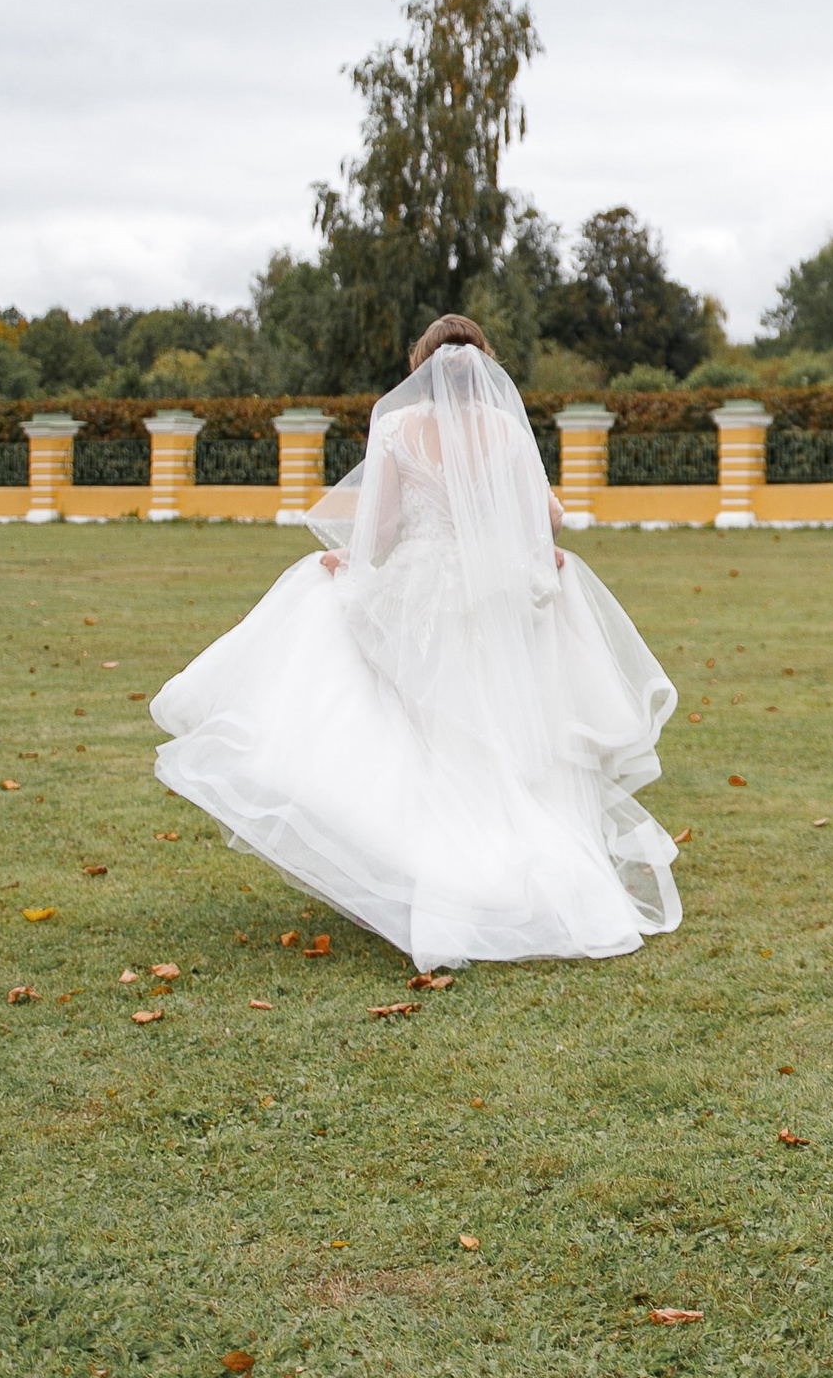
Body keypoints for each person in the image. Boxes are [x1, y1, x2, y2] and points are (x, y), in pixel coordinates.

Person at [150, 314, 681, 971]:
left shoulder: (398, 427)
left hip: (421, 587)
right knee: (495, 726)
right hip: (494, 591)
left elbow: (383, 522)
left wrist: (348, 561)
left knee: (417, 724)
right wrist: (536, 551)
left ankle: (428, 869)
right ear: (483, 365)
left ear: (421, 366)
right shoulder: (509, 431)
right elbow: (544, 516)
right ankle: (512, 869)